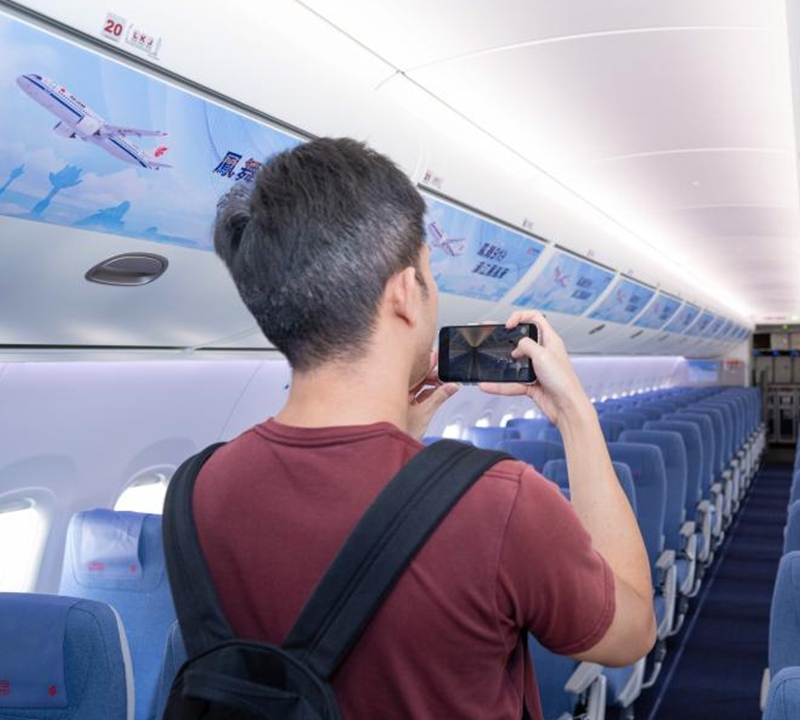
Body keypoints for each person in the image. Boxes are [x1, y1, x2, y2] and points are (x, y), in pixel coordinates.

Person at [197, 137, 656, 718]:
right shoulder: (498, 503)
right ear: (405, 294)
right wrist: (575, 415)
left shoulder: (201, 488)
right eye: (430, 274)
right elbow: (632, 631)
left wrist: (401, 444)